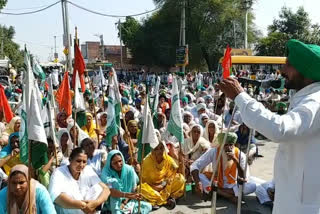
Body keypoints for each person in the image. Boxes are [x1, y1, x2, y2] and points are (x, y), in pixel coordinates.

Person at [217, 39, 320, 213]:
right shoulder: (305, 97)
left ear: (306, 71)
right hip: (292, 199)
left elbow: (279, 129)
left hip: (303, 206)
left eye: (288, 65)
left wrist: (241, 96)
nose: (282, 70)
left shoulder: (314, 102)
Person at [191, 132, 256, 203]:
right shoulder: (214, 151)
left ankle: (218, 192)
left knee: (252, 186)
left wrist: (235, 160)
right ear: (221, 145)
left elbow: (243, 177)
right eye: (225, 145)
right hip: (216, 182)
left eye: (231, 144)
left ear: (234, 144)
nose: (228, 147)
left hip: (233, 184)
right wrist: (198, 183)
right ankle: (229, 196)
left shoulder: (240, 155)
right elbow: (195, 165)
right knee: (199, 176)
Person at [49, 147, 110, 213]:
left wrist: (95, 203)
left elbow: (106, 190)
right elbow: (57, 197)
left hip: (88, 209)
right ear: (70, 160)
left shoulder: (88, 169)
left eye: (84, 162)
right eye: (78, 161)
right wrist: (83, 205)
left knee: (98, 188)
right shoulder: (59, 172)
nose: (81, 165)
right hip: (70, 209)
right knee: (67, 193)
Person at [140, 142, 185, 209]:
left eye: (161, 148)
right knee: (140, 189)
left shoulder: (167, 158)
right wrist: (156, 187)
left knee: (180, 179)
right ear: (152, 151)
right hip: (152, 188)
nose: (159, 151)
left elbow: (174, 174)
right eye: (156, 149)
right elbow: (144, 182)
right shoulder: (146, 162)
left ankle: (158, 201)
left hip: (165, 186)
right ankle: (166, 201)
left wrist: (181, 160)